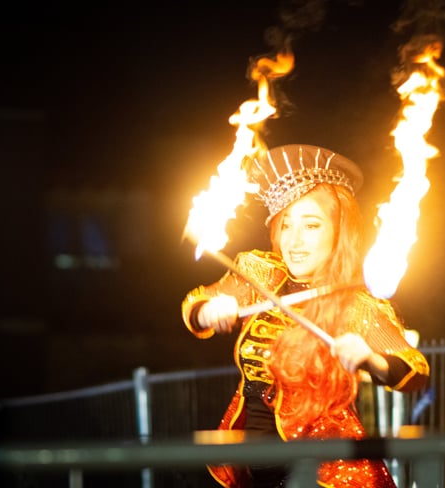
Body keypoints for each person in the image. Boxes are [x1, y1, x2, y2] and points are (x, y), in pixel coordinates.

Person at [181, 144, 430, 487]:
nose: (294, 241)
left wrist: (372, 360)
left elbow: (415, 369)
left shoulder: (355, 303)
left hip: (322, 471)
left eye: (311, 226)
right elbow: (195, 305)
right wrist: (210, 311)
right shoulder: (261, 275)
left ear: (338, 232)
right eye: (286, 225)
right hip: (252, 469)